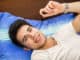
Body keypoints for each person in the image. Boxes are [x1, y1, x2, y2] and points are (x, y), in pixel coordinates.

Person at [8, 1, 80, 60]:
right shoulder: (39, 57)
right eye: (25, 38)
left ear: (35, 28)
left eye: (30, 30)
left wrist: (63, 7)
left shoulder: (62, 32)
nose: (32, 35)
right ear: (26, 48)